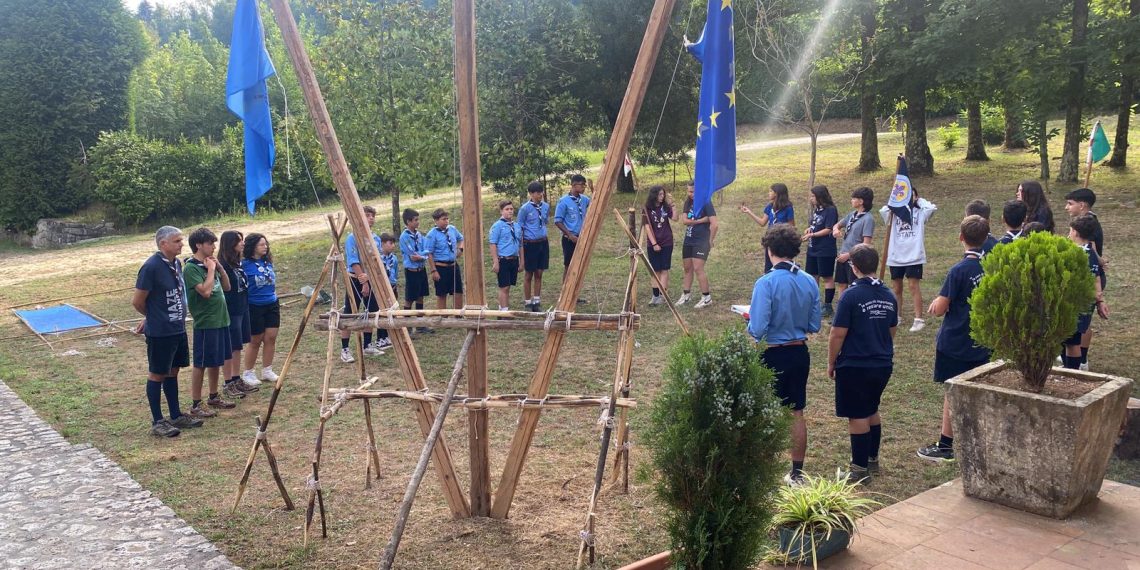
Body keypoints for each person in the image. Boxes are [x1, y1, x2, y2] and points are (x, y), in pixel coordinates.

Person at [746, 224, 822, 485]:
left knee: (765, 412)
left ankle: (763, 471)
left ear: (770, 251)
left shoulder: (766, 282)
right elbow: (814, 324)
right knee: (796, 412)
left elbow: (757, 328)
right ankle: (797, 472)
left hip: (772, 353)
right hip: (800, 352)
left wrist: (748, 318)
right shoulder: (809, 280)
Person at [917, 216, 992, 463]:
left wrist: (935, 305)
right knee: (977, 391)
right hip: (981, 341)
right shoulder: (990, 266)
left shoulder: (959, 270)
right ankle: (978, 441)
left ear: (961, 237)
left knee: (953, 391)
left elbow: (940, 308)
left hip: (956, 341)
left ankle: (946, 444)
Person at [827, 244, 898, 484]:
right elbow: (892, 330)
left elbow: (837, 333)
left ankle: (858, 470)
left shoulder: (851, 295)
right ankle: (872, 459)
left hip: (856, 364)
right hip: (882, 363)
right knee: (871, 409)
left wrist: (831, 362)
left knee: (857, 414)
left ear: (853, 267)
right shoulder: (889, 295)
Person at [131, 226, 205, 437]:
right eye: (177, 241)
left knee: (174, 370)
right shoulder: (151, 268)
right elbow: (138, 301)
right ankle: (157, 421)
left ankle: (175, 415)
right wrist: (152, 317)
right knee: (157, 373)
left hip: (177, 327)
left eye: (181, 240)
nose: (182, 244)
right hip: (161, 331)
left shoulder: (177, 263)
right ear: (163, 244)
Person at [183, 228, 235, 418]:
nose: (214, 247)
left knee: (217, 361)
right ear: (198, 245)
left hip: (221, 319)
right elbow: (205, 292)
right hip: (206, 323)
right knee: (201, 363)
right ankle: (196, 404)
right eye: (210, 243)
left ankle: (214, 396)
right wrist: (211, 270)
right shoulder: (191, 268)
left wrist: (219, 268)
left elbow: (228, 287)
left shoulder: (211, 264)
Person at [880, 188, 936, 332]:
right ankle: (897, 316)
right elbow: (883, 210)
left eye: (912, 196)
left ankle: (918, 319)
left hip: (914, 255)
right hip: (896, 255)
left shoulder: (920, 212)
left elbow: (931, 207)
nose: (908, 198)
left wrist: (918, 199)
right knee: (897, 287)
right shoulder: (893, 214)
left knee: (913, 286)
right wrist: (895, 200)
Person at [1063, 188, 1105, 370]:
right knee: (1074, 339)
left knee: (1072, 343)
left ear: (1076, 233)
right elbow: (1096, 276)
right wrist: (1099, 299)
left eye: (1070, 231)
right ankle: (1075, 366)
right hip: (1086, 303)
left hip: (1074, 305)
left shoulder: (1076, 255)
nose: (1068, 234)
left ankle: (1073, 371)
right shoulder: (1091, 252)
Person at [340, 205, 385, 363]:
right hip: (356, 278)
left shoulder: (376, 238)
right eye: (367, 215)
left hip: (371, 278)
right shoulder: (352, 238)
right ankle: (345, 349)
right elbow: (353, 261)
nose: (371, 218)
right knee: (351, 311)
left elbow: (376, 260)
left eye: (372, 215)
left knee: (371, 311)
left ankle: (367, 345)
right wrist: (363, 280)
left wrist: (371, 278)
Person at [219, 230, 255, 397]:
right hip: (230, 310)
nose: (243, 243)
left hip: (242, 307)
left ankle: (236, 377)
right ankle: (228, 383)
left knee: (238, 346)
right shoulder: (223, 264)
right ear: (230, 244)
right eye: (239, 241)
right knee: (230, 346)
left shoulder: (237, 262)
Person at [241, 233, 280, 386]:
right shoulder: (244, 264)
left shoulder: (267, 262)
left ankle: (267, 369)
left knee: (271, 337)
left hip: (271, 303)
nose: (265, 247)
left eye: (266, 244)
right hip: (254, 305)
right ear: (252, 247)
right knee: (255, 339)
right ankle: (248, 372)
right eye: (261, 245)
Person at [677, 184, 718, 309]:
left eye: (693, 192)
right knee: (687, 268)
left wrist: (710, 240)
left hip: (701, 240)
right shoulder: (688, 202)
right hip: (688, 239)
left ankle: (706, 297)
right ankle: (686, 294)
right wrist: (701, 220)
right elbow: (684, 221)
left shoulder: (706, 203)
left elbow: (715, 224)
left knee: (698, 268)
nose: (691, 194)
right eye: (689, 192)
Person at [802, 185, 839, 318]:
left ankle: (828, 306)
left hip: (825, 250)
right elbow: (815, 224)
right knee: (812, 276)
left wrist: (813, 235)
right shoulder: (817, 210)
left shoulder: (830, 210)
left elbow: (829, 229)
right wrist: (809, 229)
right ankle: (814, 303)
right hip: (813, 249)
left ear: (820, 196)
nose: (811, 199)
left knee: (827, 277)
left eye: (813, 196)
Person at [832, 187, 875, 299]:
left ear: (861, 201)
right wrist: (836, 230)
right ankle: (842, 308)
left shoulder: (868, 219)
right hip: (842, 255)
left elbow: (866, 244)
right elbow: (837, 225)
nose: (851, 200)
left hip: (855, 258)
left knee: (853, 286)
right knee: (842, 284)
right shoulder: (852, 215)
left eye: (854, 198)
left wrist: (849, 255)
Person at [741, 182, 795, 272]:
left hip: (782, 240)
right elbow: (762, 223)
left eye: (771, 191)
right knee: (769, 266)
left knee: (781, 264)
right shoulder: (770, 207)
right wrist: (749, 212)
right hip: (771, 239)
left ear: (777, 193)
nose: (769, 193)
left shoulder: (788, 208)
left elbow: (791, 226)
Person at [642, 185, 678, 306]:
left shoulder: (665, 207)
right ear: (654, 195)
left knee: (664, 269)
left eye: (663, 194)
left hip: (667, 241)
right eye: (660, 194)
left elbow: (675, 218)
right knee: (655, 270)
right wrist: (654, 243)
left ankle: (663, 295)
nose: (662, 197)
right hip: (653, 243)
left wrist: (673, 205)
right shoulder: (646, 209)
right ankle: (655, 296)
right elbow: (647, 227)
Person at [555, 174, 592, 288]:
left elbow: (596, 204)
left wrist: (593, 189)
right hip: (569, 239)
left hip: (581, 237)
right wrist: (569, 235)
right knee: (569, 265)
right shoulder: (564, 201)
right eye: (582, 185)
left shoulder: (584, 199)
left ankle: (574, 292)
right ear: (574, 185)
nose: (584, 187)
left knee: (578, 266)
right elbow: (558, 221)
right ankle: (565, 291)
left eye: (585, 185)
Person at [518, 182, 550, 311]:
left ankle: (537, 300)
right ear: (531, 194)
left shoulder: (546, 206)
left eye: (541, 192)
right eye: (537, 193)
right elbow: (520, 227)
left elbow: (545, 221)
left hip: (543, 242)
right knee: (529, 274)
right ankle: (527, 301)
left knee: (539, 272)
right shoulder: (524, 209)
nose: (540, 195)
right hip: (530, 244)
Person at [399, 208, 432, 334]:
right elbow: (413, 255)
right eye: (415, 220)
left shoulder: (419, 235)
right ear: (408, 221)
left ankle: (420, 324)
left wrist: (422, 256)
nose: (418, 222)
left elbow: (426, 250)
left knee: (420, 296)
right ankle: (406, 325)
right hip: (411, 271)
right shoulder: (404, 237)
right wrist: (422, 255)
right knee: (410, 297)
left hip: (421, 269)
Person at [425, 208, 465, 310]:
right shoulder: (432, 234)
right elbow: (429, 253)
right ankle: (443, 316)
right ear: (436, 221)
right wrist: (434, 270)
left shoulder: (452, 229)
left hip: (453, 265)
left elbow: (462, 239)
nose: (446, 221)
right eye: (443, 219)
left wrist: (460, 249)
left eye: (447, 219)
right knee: (442, 294)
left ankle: (457, 316)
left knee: (458, 291)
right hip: (440, 267)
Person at [489, 200, 523, 311]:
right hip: (503, 259)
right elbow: (493, 244)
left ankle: (502, 308)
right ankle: (504, 311)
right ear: (501, 211)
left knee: (508, 286)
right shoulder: (497, 226)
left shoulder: (517, 226)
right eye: (507, 209)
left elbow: (520, 245)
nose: (510, 211)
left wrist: (522, 261)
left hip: (514, 259)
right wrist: (495, 262)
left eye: (511, 209)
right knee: (504, 286)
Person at [376, 232, 399, 349]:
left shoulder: (394, 258)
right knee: (382, 312)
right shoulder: (378, 258)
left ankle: (387, 336)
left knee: (391, 311)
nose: (393, 245)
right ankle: (380, 338)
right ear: (383, 244)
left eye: (393, 243)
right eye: (390, 243)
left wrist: (395, 283)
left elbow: (395, 271)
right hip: (382, 288)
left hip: (392, 287)